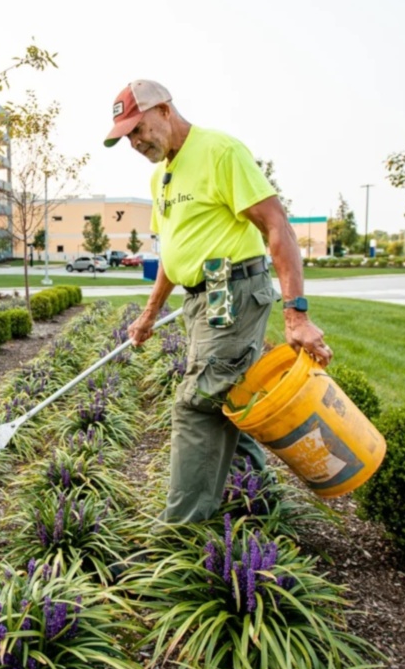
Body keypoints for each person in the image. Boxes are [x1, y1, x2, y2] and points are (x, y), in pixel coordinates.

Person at [104, 80, 333, 524]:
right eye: (127, 136)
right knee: (227, 397)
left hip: (232, 291)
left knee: (196, 403)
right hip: (200, 300)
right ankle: (257, 501)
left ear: (165, 111)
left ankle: (181, 531)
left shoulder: (221, 152)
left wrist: (296, 313)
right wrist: (149, 314)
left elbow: (277, 226)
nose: (135, 142)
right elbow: (173, 251)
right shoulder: (160, 176)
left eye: (139, 128)